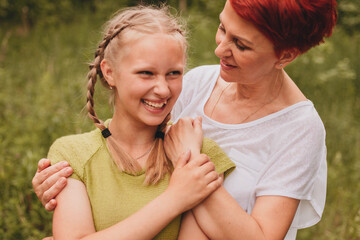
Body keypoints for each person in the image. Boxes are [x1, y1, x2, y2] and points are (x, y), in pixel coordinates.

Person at [33, 0, 337, 239]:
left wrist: (188, 164)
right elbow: (131, 136)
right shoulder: (198, 83)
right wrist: (67, 176)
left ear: (285, 56)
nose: (219, 49)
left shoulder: (300, 130)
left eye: (240, 45)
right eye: (222, 28)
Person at [39, 5, 235, 240]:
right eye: (146, 73)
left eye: (173, 73)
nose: (163, 89)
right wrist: (175, 199)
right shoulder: (73, 155)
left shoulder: (198, 155)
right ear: (109, 72)